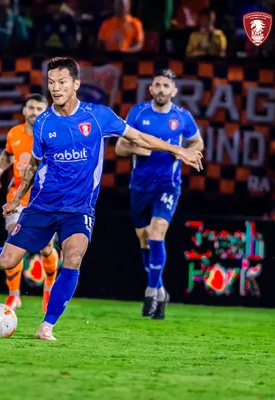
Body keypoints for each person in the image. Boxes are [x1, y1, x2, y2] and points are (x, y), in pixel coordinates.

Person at [0, 57, 203, 341]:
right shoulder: (43, 122)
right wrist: (17, 198)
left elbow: (139, 137)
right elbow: (33, 164)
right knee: (8, 261)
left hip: (79, 209)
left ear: (76, 84)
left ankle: (46, 326)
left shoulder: (98, 116)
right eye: (51, 82)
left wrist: (178, 150)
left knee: (73, 257)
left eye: (62, 82)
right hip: (43, 205)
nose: (55, 88)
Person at [115, 69, 204, 319]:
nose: (162, 89)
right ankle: (161, 291)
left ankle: (151, 291)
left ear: (173, 91)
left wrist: (185, 152)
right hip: (140, 186)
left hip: (168, 184)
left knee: (156, 232)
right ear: (151, 89)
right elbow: (120, 147)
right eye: (158, 85)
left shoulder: (182, 116)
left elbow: (197, 142)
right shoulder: (138, 113)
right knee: (144, 239)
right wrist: (137, 148)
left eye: (166, 86)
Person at [0, 94, 59, 312]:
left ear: (46, 111)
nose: (34, 112)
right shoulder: (15, 133)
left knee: (46, 248)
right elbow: (8, 153)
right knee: (13, 242)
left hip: (44, 199)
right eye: (31, 108)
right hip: (17, 197)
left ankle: (49, 288)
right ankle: (14, 296)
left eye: (39, 108)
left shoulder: (53, 135)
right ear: (24, 110)